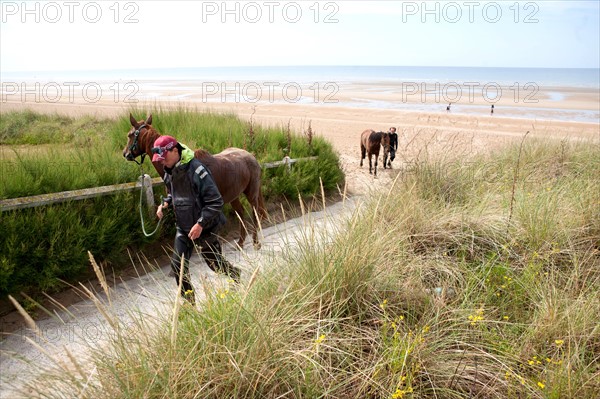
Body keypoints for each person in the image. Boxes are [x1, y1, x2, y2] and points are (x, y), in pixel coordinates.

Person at [153, 135, 240, 305]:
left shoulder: (197, 170)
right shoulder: (169, 171)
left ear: (175, 150)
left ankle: (236, 275)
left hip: (204, 226)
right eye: (160, 160)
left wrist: (200, 224)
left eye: (164, 158)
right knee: (178, 267)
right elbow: (173, 192)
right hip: (183, 227)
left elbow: (216, 201)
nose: (162, 163)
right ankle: (190, 303)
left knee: (215, 265)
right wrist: (165, 203)